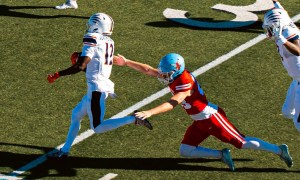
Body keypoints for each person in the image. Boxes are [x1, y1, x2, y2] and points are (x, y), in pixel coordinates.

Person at [113, 53, 293, 171]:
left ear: (176, 71)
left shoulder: (184, 82)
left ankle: (279, 150)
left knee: (242, 142)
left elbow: (172, 103)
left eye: (167, 74)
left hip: (211, 117)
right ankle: (221, 154)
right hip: (200, 121)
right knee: (185, 150)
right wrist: (126, 62)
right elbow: (148, 70)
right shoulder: (174, 74)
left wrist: (150, 112)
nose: (163, 76)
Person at [47, 13, 152, 158]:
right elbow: (95, 63)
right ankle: (64, 150)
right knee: (76, 115)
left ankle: (133, 119)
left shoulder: (92, 37)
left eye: (91, 24)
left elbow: (81, 66)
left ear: (96, 25)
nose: (89, 27)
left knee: (97, 127)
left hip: (96, 89)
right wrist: (80, 58)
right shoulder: (109, 41)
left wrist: (59, 74)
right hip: (98, 87)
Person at [262, 0, 300, 132]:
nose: (269, 31)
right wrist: (275, 2)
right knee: (287, 112)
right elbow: (282, 12)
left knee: (298, 123)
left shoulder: (286, 33)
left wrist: (281, 39)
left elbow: (298, 50)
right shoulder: (285, 23)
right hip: (296, 80)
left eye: (270, 28)